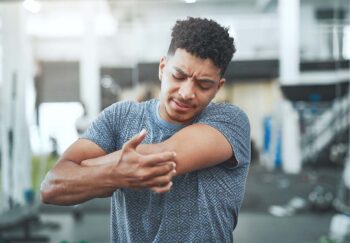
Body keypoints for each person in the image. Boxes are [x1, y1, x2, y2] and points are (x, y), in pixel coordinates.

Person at [40, 17, 251, 242]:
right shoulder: (120, 117)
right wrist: (115, 173)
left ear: (218, 87)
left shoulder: (230, 121)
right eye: (178, 76)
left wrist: (86, 169)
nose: (186, 93)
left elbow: (162, 159)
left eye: (204, 85)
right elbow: (52, 186)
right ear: (162, 68)